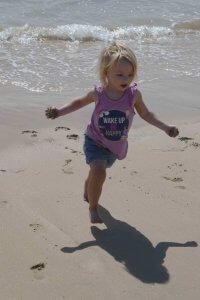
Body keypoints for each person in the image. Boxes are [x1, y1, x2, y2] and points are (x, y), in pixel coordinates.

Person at [45, 42, 179, 224]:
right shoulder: (98, 93)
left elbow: (146, 114)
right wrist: (59, 112)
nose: (126, 79)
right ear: (105, 73)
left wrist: (165, 127)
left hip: (115, 146)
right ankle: (93, 208)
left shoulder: (133, 95)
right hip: (95, 141)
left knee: (97, 172)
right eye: (120, 74)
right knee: (100, 172)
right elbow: (78, 102)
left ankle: (89, 183)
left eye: (130, 74)